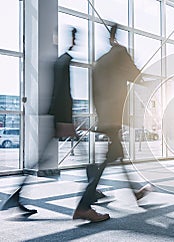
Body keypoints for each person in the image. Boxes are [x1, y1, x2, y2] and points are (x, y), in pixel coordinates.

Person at [72, 25, 152, 222]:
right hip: (114, 115)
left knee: (116, 154)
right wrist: (150, 83)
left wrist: (102, 115)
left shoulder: (100, 62)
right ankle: (83, 205)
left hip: (105, 116)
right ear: (116, 36)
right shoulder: (120, 53)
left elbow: (95, 91)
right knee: (111, 157)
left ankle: (135, 193)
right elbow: (134, 74)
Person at [0, 27, 79, 215]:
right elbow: (63, 93)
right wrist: (66, 121)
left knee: (44, 157)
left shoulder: (59, 61)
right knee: (48, 157)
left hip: (57, 116)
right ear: (70, 39)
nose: (77, 41)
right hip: (61, 118)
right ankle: (89, 197)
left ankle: (17, 196)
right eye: (75, 37)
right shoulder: (65, 61)